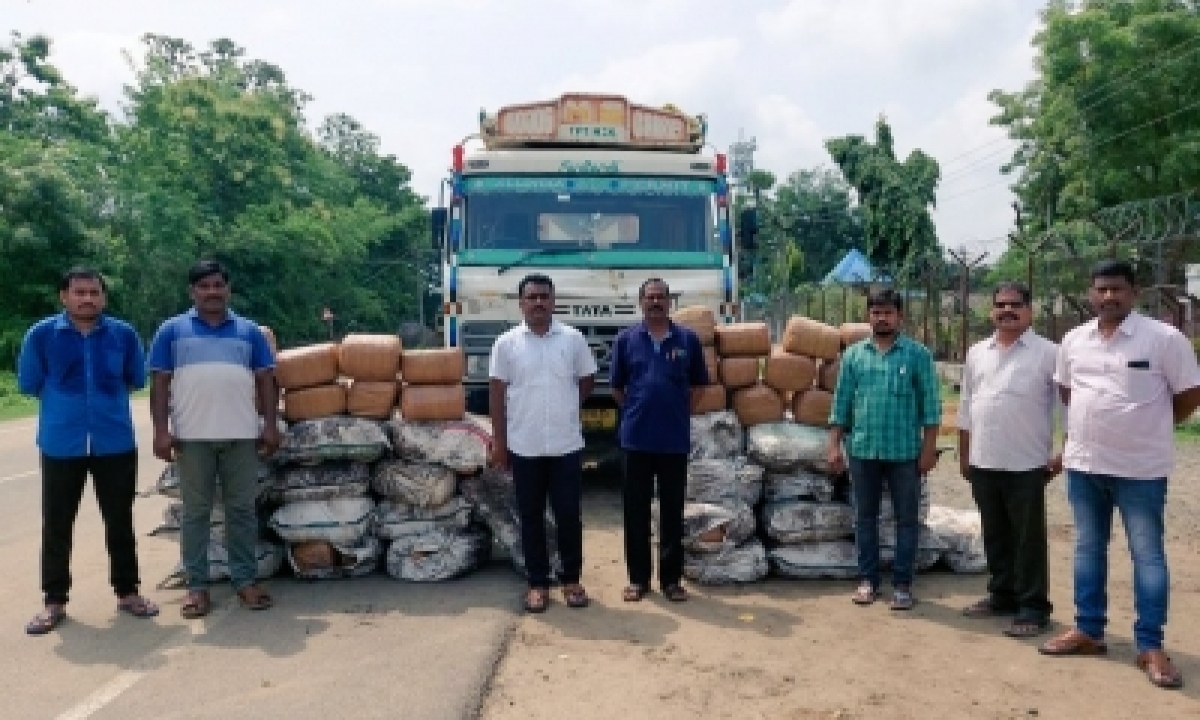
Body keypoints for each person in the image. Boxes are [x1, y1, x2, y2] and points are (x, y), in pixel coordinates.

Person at [1039, 260, 1200, 690]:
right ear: (1091, 293)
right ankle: (1089, 630)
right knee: (1088, 549)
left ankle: (1150, 645)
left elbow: (1187, 397)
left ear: (1135, 292)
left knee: (1147, 555)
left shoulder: (1164, 339)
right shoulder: (1074, 340)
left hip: (1141, 470)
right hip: (1086, 465)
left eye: (1117, 290)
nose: (1109, 297)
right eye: (1101, 289)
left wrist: (1148, 428)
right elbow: (1069, 394)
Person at [17, 267, 159, 635]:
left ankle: (128, 592)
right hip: (61, 442)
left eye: (94, 292)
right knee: (57, 525)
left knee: (120, 520)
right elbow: (30, 382)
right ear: (63, 296)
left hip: (114, 441)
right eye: (79, 292)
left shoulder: (123, 335)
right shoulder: (42, 336)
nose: (87, 299)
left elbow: (135, 378)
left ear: (104, 297)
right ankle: (54, 601)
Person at [148, 260, 280, 618]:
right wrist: (161, 430)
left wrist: (270, 424)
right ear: (193, 292)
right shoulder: (172, 331)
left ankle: (245, 581)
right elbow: (159, 383)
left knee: (241, 511)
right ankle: (197, 587)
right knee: (195, 514)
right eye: (204, 286)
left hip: (241, 435)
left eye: (218, 285)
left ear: (228, 289)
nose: (212, 292)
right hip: (192, 438)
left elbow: (266, 380)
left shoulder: (249, 331)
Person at [488, 273, 597, 613]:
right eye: (532, 297)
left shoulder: (573, 339)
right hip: (524, 445)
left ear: (553, 301)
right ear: (521, 303)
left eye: (544, 297)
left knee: (569, 515)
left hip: (566, 444)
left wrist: (564, 407)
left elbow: (587, 380)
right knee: (531, 516)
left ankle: (571, 579)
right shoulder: (506, 344)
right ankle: (537, 582)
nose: (538, 302)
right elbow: (496, 396)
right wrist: (500, 443)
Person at [827, 287, 941, 611]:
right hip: (863, 450)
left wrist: (929, 450)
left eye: (888, 312)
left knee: (907, 519)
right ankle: (868, 581)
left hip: (905, 453)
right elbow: (842, 404)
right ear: (869, 316)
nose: (882, 318)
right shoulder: (854, 355)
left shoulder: (918, 355)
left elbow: (931, 408)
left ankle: (903, 585)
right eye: (876, 312)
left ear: (900, 316)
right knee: (865, 518)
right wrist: (834, 445)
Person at [958, 281, 1060, 637]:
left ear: (1030, 310)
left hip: (1027, 462)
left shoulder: (1049, 353)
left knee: (1027, 539)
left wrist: (1061, 455)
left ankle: (1033, 607)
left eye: (1015, 305)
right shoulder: (976, 352)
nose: (1007, 311)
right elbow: (967, 406)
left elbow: (1070, 407)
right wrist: (964, 453)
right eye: (1000, 304)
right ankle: (1001, 595)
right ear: (991, 310)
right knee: (994, 533)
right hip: (984, 458)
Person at [610, 278, 709, 603]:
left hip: (673, 440)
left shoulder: (688, 340)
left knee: (672, 512)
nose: (655, 302)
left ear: (670, 303)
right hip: (635, 440)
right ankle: (638, 580)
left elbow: (698, 387)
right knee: (635, 512)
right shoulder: (626, 340)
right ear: (641, 303)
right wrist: (639, 410)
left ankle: (671, 580)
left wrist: (676, 412)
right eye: (649, 297)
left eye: (660, 297)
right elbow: (617, 388)